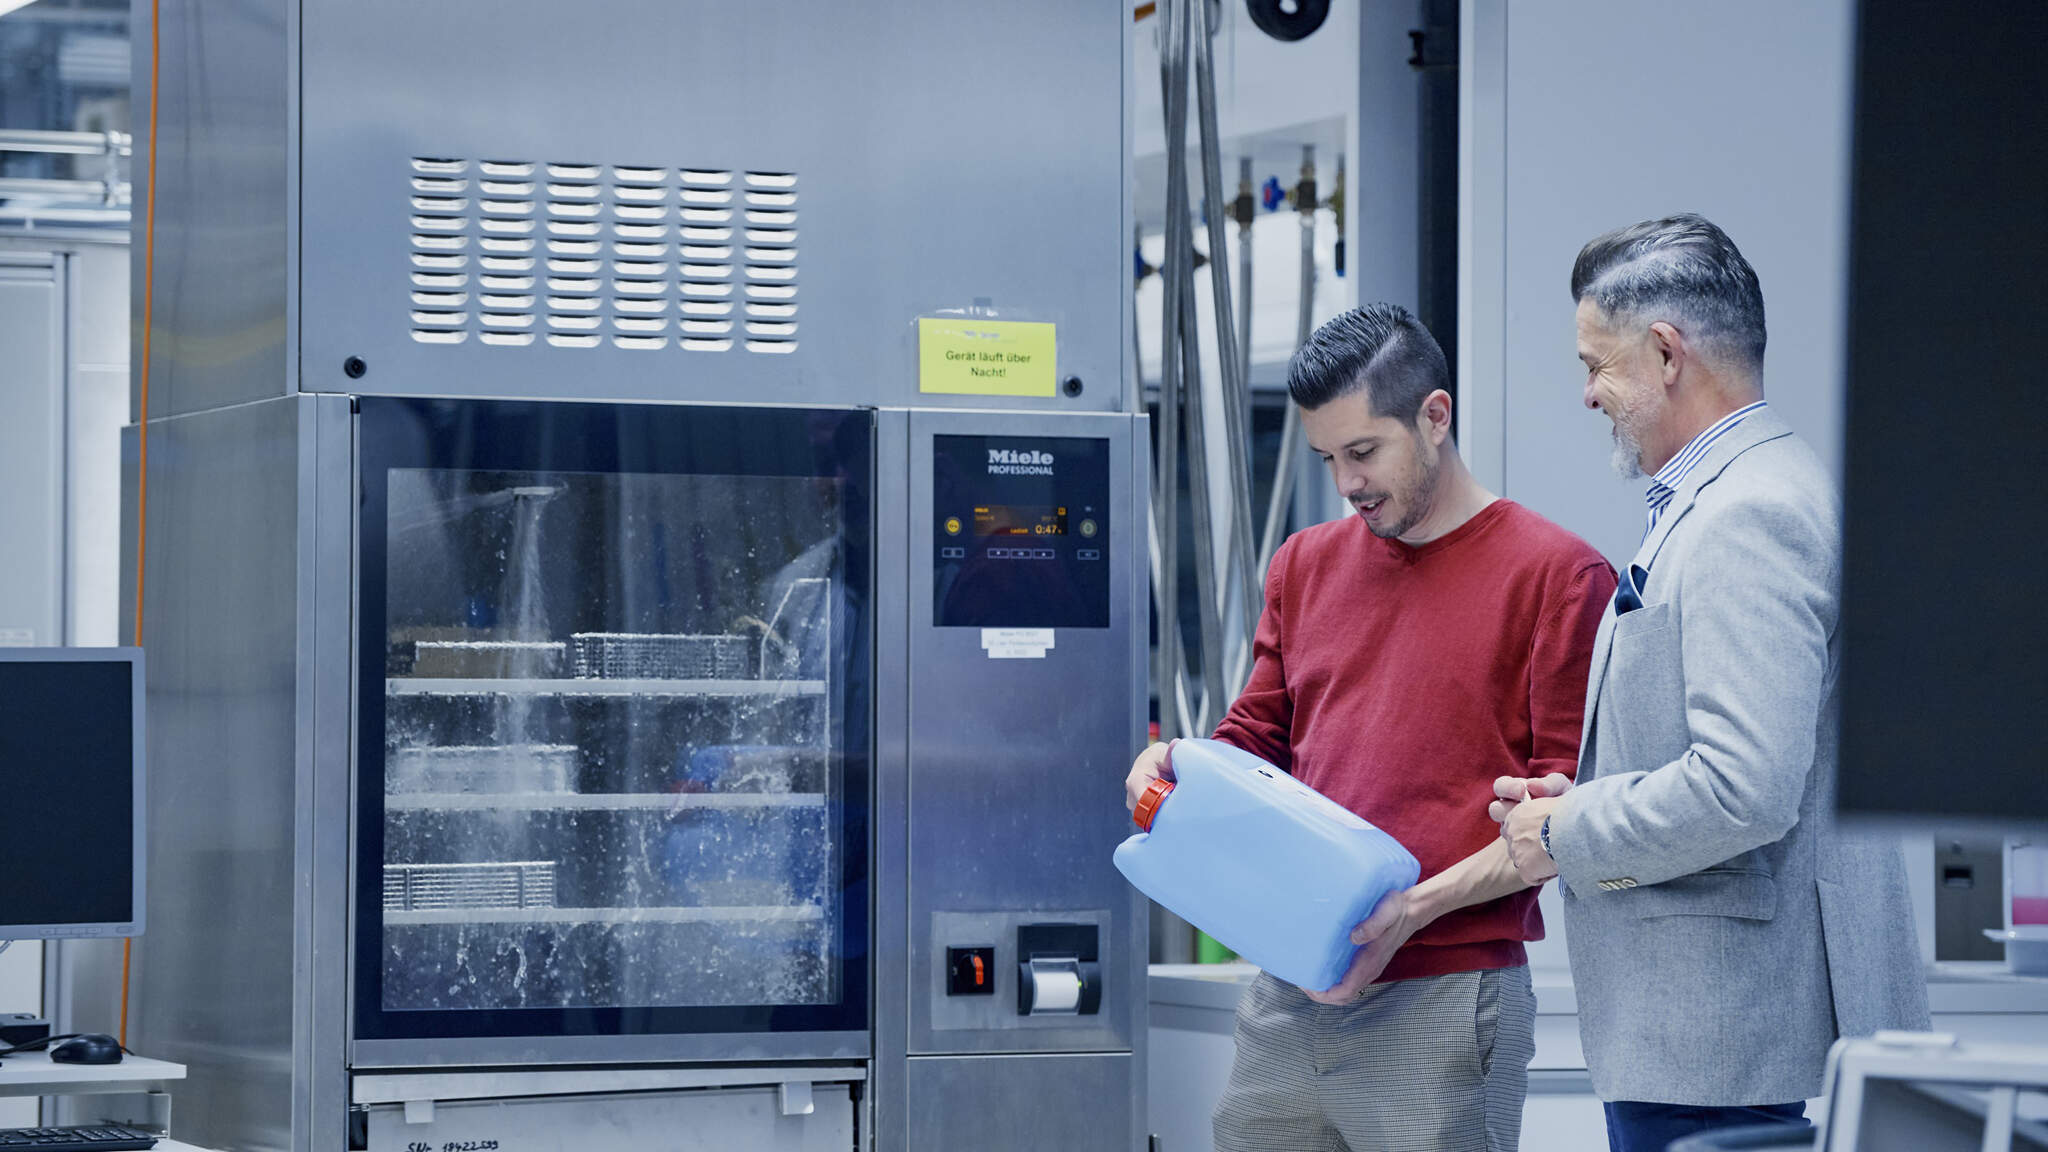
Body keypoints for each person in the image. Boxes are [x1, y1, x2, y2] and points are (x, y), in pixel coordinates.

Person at [1126, 303, 1615, 1152]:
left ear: (1435, 416)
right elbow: (1253, 741)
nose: (1346, 482)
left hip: (1445, 999)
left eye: (1363, 452)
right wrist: (1172, 764)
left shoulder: (1559, 577)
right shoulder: (1304, 565)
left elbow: (1560, 822)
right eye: (1327, 458)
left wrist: (1408, 912)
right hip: (1289, 987)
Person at [1489, 214, 1931, 1152]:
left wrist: (1565, 832)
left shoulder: (1750, 514)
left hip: (1730, 1046)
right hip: (1709, 1038)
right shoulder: (1735, 496)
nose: (1587, 395)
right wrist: (1591, 796)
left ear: (1664, 354)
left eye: (1595, 365)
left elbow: (1744, 788)